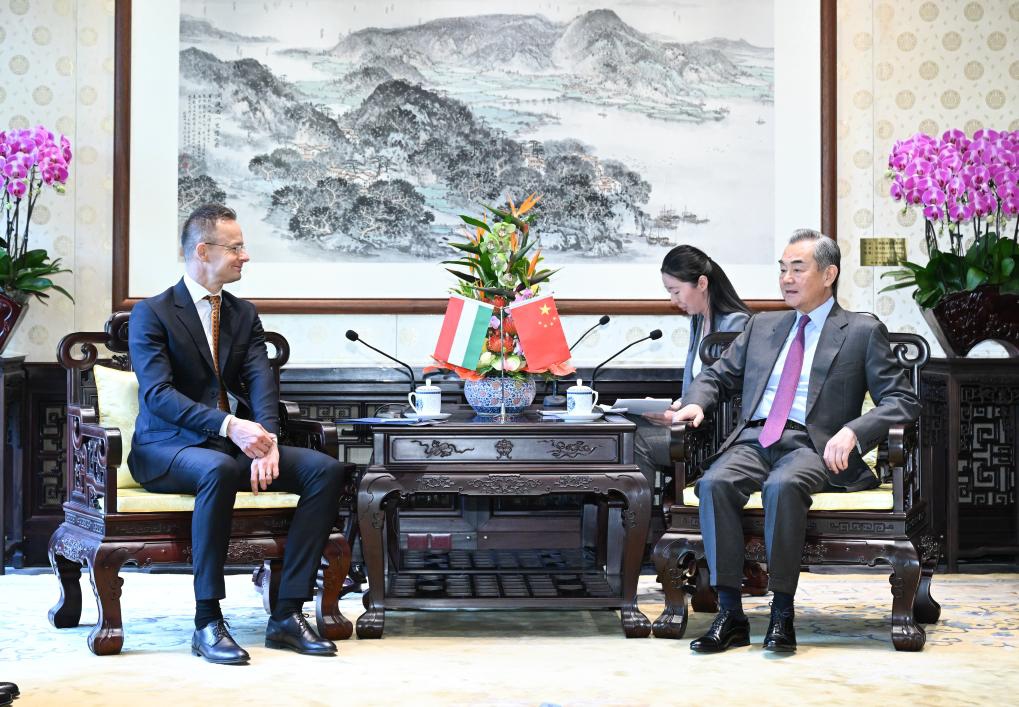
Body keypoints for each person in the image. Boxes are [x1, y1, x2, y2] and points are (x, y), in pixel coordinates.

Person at [672, 229, 921, 654]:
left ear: (829, 274)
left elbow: (902, 400)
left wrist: (854, 431)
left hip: (813, 444)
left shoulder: (861, 331)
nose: (786, 278)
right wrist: (696, 403)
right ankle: (730, 614)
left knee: (783, 486)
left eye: (798, 269)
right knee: (714, 484)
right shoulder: (762, 326)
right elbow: (715, 375)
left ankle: (781, 613)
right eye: (782, 269)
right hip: (754, 439)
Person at [128, 203, 347, 665]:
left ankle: (287, 614)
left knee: (325, 471)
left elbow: (260, 379)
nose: (245, 256)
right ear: (202, 251)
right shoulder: (153, 314)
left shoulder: (243, 314)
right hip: (166, 448)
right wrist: (234, 427)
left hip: (234, 444)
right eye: (236, 247)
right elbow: (159, 396)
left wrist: (265, 437)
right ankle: (207, 620)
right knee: (220, 469)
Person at [633, 245, 751, 497]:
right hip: (692, 425)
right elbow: (697, 385)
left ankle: (638, 524)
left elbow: (727, 393)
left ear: (702, 283)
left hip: (715, 436)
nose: (673, 300)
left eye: (676, 291)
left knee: (634, 442)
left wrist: (681, 412)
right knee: (628, 426)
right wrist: (675, 408)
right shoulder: (699, 320)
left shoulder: (735, 324)